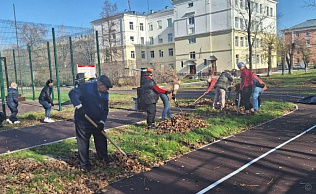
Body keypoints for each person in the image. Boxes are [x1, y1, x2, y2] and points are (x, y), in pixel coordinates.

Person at [69, 75, 113, 172]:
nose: (107, 90)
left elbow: (105, 109)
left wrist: (102, 122)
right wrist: (79, 106)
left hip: (96, 121)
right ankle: (84, 164)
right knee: (83, 141)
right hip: (83, 120)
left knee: (101, 138)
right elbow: (72, 93)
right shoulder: (87, 88)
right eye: (106, 87)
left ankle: (103, 158)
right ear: (100, 84)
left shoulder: (105, 94)